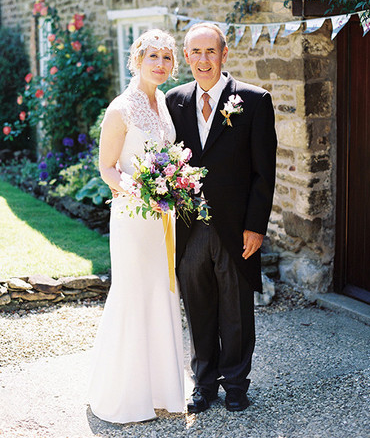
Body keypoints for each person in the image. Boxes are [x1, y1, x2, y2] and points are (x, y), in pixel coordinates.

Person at [166, 22, 277, 413]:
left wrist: (256, 226)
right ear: (186, 56)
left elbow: (264, 173)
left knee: (236, 309)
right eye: (195, 52)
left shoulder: (254, 100)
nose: (203, 60)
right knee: (198, 307)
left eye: (210, 51)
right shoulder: (174, 101)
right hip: (189, 226)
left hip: (235, 227)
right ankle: (204, 384)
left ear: (224, 54)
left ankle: (236, 384)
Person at [88, 29, 184, 423]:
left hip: (163, 219)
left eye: (166, 57)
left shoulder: (163, 103)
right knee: (133, 292)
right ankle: (125, 395)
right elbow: (107, 167)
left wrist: (174, 185)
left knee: (161, 291)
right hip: (133, 216)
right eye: (153, 57)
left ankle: (161, 389)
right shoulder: (120, 109)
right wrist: (143, 192)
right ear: (137, 60)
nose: (160, 64)